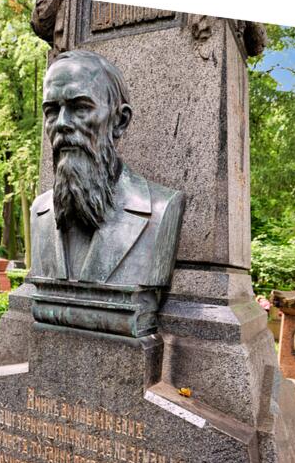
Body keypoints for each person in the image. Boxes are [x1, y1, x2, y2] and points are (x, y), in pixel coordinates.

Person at [30, 50, 184, 289]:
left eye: (80, 107)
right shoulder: (40, 211)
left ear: (119, 121)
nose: (61, 123)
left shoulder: (161, 209)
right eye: (51, 111)